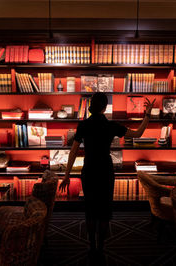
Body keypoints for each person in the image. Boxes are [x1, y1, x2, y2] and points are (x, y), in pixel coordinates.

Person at [59, 92, 154, 254]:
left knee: (90, 210)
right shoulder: (111, 126)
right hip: (105, 171)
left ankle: (91, 245)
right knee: (104, 210)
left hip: (89, 170)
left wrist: (67, 175)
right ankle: (101, 246)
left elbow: (73, 152)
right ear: (104, 107)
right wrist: (147, 115)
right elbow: (138, 134)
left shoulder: (83, 125)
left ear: (91, 106)